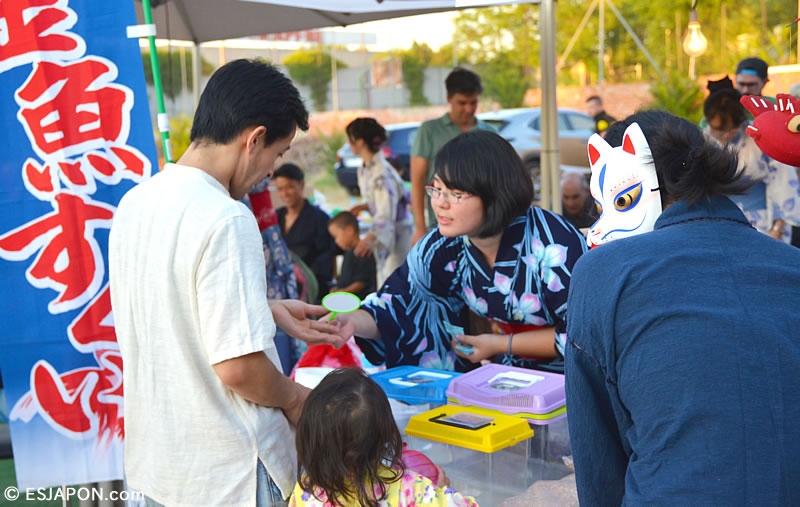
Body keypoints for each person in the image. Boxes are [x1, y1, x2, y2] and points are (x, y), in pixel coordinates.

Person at [109, 59, 352, 507]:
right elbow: (238, 367)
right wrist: (296, 400)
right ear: (254, 139)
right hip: (228, 472)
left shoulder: (136, 202)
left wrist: (266, 310)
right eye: (278, 154)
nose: (271, 172)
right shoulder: (226, 216)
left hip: (157, 466)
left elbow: (169, 308)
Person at [565, 111, 800, 506]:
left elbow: (598, 459)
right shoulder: (793, 264)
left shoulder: (604, 272)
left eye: (620, 200)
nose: (599, 229)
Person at [334, 130, 587, 372]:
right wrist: (348, 322)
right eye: (436, 189)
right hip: (504, 374)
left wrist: (501, 344)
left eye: (455, 194)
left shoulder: (554, 243)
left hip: (570, 377)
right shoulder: (443, 246)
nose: (440, 203)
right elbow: (395, 305)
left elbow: (584, 334)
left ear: (495, 194)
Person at [290, 368, 477, 507]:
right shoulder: (413, 489)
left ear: (308, 439)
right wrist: (443, 490)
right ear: (386, 434)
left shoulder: (307, 492)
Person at [410, 67, 496, 245]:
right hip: (441, 226)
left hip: (483, 229)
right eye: (462, 103)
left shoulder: (489, 132)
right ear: (449, 98)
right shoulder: (429, 131)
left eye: (473, 102)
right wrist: (419, 227)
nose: (468, 109)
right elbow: (417, 181)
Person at [704, 88, 800, 244]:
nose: (726, 135)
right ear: (708, 122)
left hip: (761, 222)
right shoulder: (704, 143)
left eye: (731, 129)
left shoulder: (762, 137)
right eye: (719, 130)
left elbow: (783, 183)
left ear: (742, 119)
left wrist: (778, 227)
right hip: (718, 220)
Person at [345, 118, 413, 285]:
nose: (349, 144)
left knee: (394, 283)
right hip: (388, 231)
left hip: (397, 235)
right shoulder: (366, 168)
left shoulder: (382, 174)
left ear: (360, 142)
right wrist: (365, 206)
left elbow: (385, 214)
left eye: (350, 139)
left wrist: (368, 238)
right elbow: (383, 203)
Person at [274, 163, 337, 298]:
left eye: (290, 187)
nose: (285, 194)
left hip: (311, 289)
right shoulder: (275, 218)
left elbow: (327, 255)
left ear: (301, 185)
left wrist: (305, 277)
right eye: (280, 189)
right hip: (281, 288)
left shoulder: (320, 218)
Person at [327, 211, 377, 301]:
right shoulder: (348, 253)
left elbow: (362, 282)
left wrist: (344, 291)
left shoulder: (363, 252)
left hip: (359, 301)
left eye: (336, 236)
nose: (336, 241)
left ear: (349, 230)